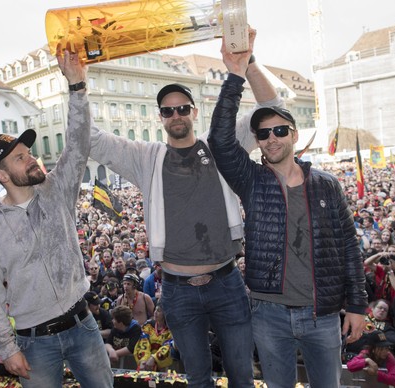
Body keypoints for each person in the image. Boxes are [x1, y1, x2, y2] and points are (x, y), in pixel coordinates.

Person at [86, 30, 280, 387]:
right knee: (198, 379)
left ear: (194, 111)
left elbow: (272, 107)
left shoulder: (220, 144)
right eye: (167, 110)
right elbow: (92, 138)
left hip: (227, 282)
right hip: (177, 289)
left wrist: (247, 62)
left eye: (182, 108)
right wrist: (77, 86)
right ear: (160, 117)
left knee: (242, 376)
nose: (175, 114)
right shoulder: (146, 158)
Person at [207, 39, 368, 387]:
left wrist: (357, 305)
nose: (272, 138)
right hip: (269, 313)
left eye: (280, 131)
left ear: (295, 135)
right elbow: (219, 140)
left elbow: (349, 248)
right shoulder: (252, 180)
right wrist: (236, 73)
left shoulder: (326, 185)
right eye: (264, 134)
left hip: (321, 314)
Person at [0, 48, 112, 387]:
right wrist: (7, 349)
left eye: (29, 153)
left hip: (83, 325)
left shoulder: (55, 189)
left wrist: (77, 87)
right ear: (3, 175)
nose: (32, 160)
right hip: (34, 342)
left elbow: (78, 143)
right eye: (21, 158)